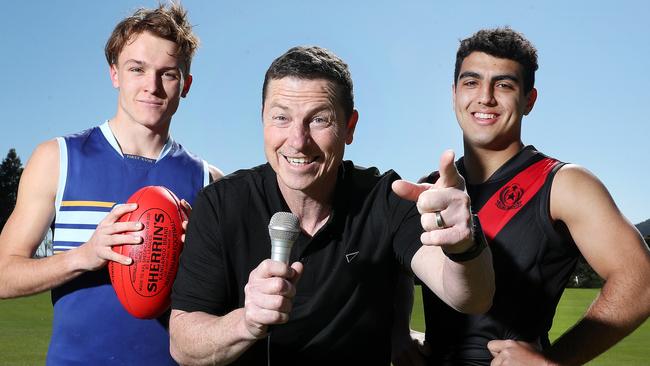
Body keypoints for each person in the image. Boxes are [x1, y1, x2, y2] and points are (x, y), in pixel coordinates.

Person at [169, 45, 495, 365]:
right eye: (281, 117)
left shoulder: (386, 197)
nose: (298, 140)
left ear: (349, 127)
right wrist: (245, 322)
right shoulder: (221, 203)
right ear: (263, 119)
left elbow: (470, 296)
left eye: (319, 120)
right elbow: (183, 346)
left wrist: (464, 245)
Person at [0, 3, 222, 365]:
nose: (152, 86)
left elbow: (225, 300)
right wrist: (84, 257)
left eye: (168, 74)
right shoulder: (58, 159)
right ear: (115, 74)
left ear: (186, 84)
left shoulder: (208, 181)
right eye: (137, 69)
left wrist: (200, 259)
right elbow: (3, 274)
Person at [415, 27, 650, 365]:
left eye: (504, 85)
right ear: (454, 95)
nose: (485, 97)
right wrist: (398, 335)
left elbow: (640, 282)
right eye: (471, 82)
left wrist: (556, 362)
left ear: (529, 100)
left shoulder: (563, 184)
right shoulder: (432, 186)